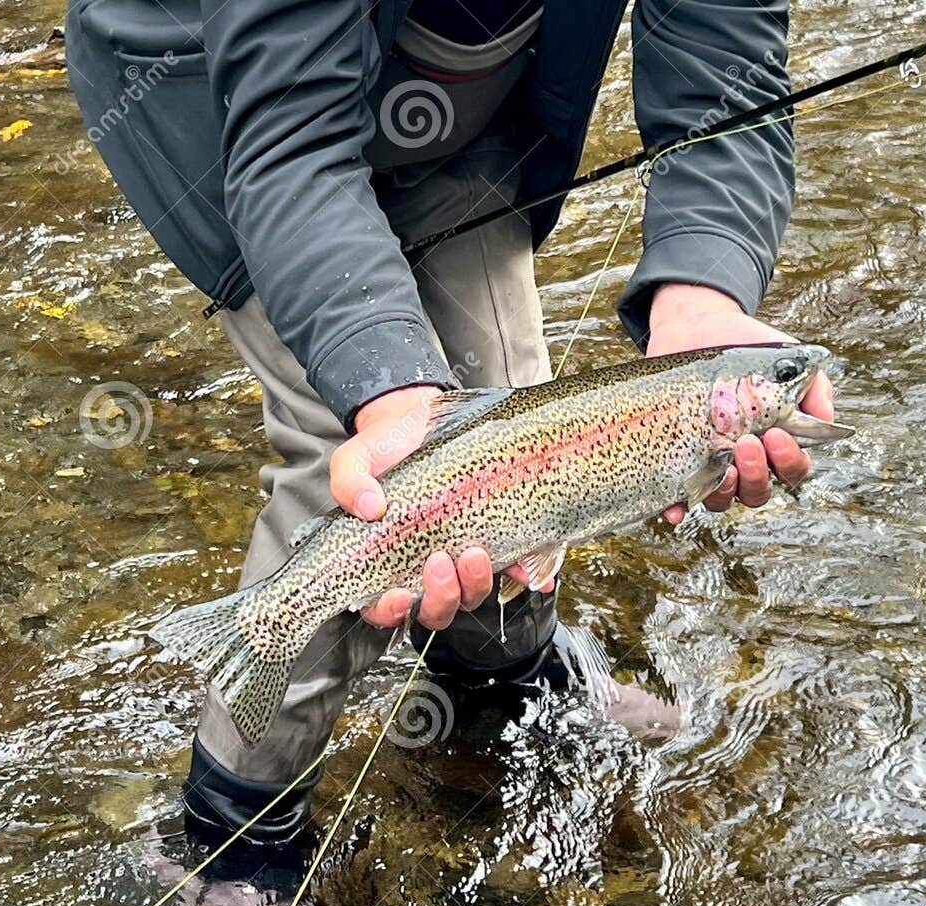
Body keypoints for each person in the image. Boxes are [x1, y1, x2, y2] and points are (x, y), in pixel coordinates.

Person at [67, 0, 838, 860]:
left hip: (463, 99)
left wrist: (703, 288)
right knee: (356, 456)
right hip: (224, 102)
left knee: (511, 400)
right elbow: (292, 146)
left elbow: (721, 63)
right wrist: (393, 395)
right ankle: (234, 836)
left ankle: (502, 681)